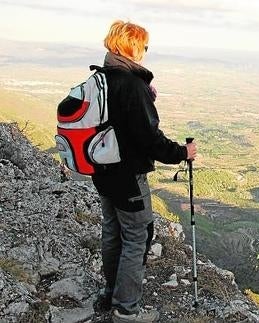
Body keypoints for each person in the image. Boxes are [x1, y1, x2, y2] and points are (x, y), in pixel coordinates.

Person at [91, 20, 197, 323]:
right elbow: (149, 138)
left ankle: (110, 294)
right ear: (132, 47)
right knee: (137, 236)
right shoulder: (131, 85)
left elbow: (117, 121)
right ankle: (126, 310)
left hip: (103, 172)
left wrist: (142, 94)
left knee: (113, 232)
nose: (145, 52)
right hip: (128, 176)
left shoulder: (102, 78)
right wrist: (182, 153)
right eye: (144, 46)